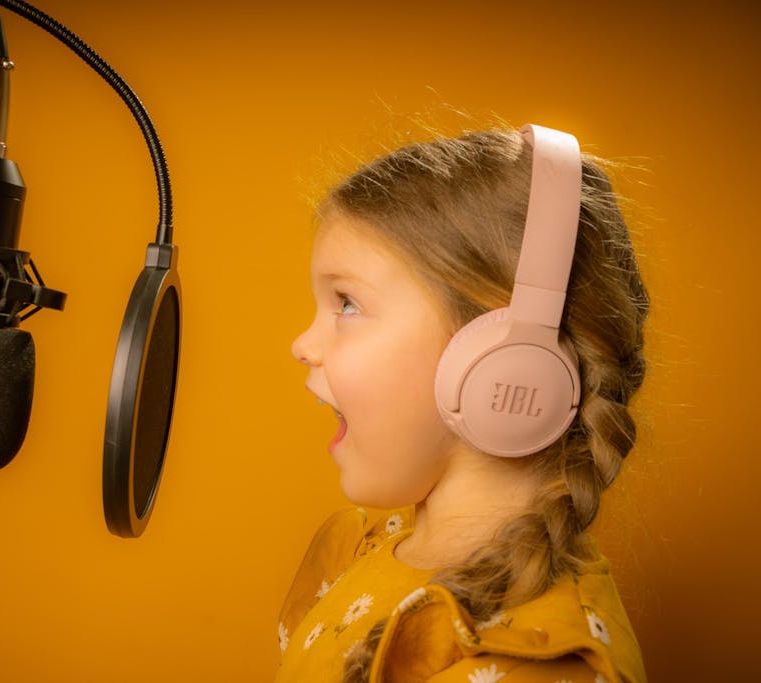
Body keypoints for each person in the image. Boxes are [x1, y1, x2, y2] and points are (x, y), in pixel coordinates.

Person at [276, 124, 649, 682]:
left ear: (503, 353)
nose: (301, 346)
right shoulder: (368, 554)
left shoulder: (523, 663)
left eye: (347, 302)